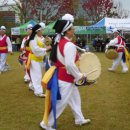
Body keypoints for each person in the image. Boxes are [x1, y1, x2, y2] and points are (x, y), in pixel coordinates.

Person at [40, 14, 90, 130]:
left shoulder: (59, 42)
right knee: (60, 103)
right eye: (72, 28)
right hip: (66, 78)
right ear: (67, 31)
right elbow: (69, 64)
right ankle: (46, 123)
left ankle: (79, 119)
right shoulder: (68, 45)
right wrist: (79, 76)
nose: (74, 30)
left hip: (63, 77)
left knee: (75, 99)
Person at [26, 24, 51, 97]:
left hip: (39, 59)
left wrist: (47, 44)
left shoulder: (39, 38)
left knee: (36, 75)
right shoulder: (33, 40)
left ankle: (32, 86)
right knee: (37, 76)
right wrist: (46, 49)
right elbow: (35, 50)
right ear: (37, 31)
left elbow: (43, 45)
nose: (42, 31)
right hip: (34, 59)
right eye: (41, 30)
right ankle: (38, 92)